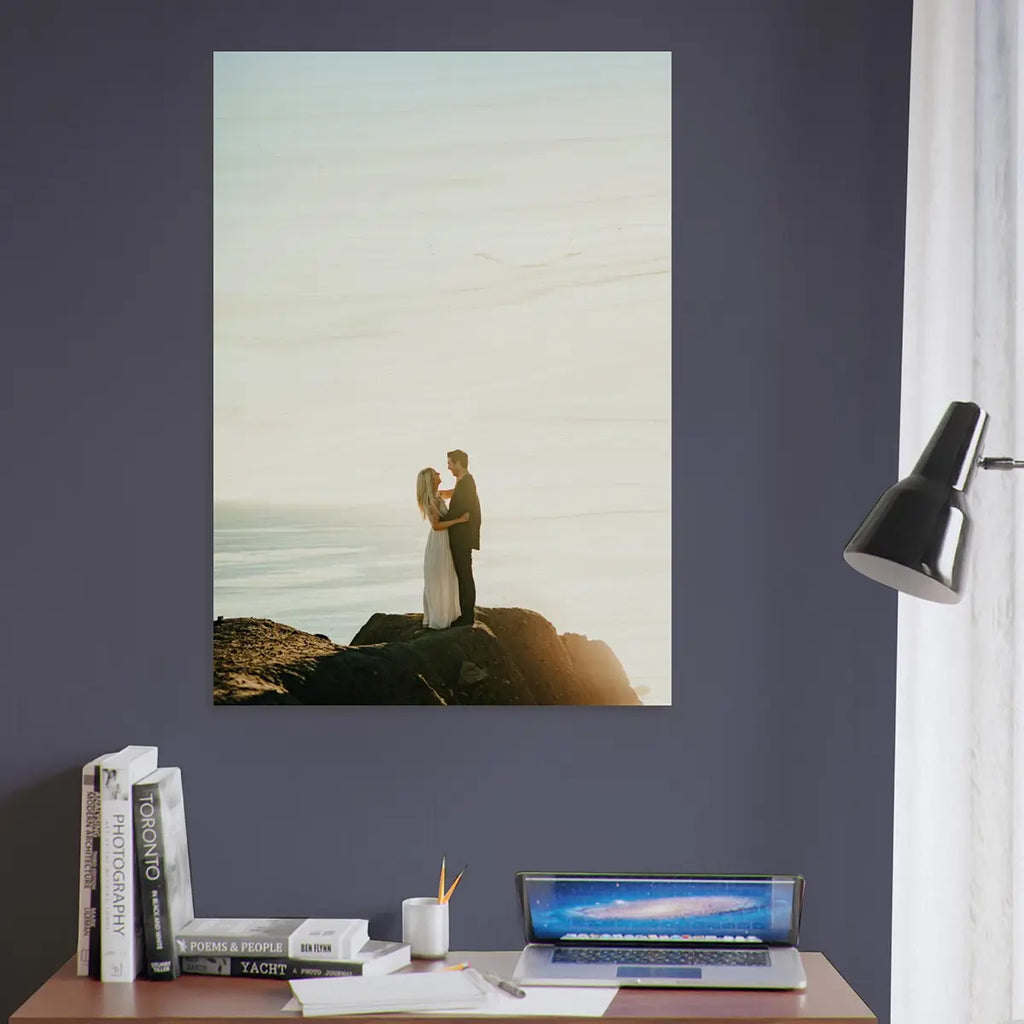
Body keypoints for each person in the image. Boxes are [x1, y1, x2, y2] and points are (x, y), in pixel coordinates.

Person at [415, 467, 470, 629]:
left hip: (444, 540)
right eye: (435, 474)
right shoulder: (431, 499)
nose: (439, 474)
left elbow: (455, 492)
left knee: (447, 575)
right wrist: (458, 521)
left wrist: (461, 476)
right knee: (440, 577)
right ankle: (439, 618)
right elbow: (436, 525)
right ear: (430, 480)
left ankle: (447, 614)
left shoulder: (438, 495)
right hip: (439, 541)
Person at [440, 449, 481, 627]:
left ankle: (467, 616)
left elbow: (457, 511)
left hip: (462, 537)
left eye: (450, 463)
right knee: (463, 575)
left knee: (464, 576)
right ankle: (465, 613)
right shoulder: (464, 481)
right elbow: (453, 493)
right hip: (462, 536)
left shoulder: (466, 484)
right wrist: (437, 494)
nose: (448, 467)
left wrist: (437, 519)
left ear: (458, 463)